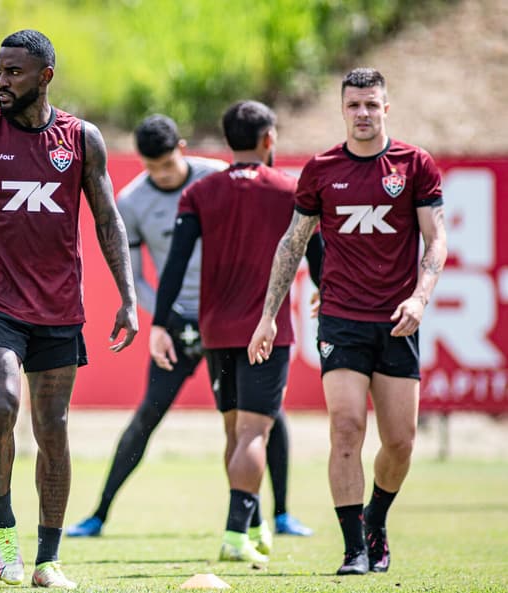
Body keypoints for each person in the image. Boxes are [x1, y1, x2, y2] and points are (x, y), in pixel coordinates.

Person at [0, 29, 138, 590]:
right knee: (3, 402)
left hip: (60, 307)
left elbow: (110, 221)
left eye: (13, 72)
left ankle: (48, 559)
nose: (1, 82)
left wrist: (128, 297)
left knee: (55, 430)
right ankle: (2, 527)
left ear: (45, 76)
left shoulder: (81, 140)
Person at [66, 115, 314, 539]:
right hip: (180, 324)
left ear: (182, 147)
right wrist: (163, 316)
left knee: (265, 416)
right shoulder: (132, 202)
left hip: (230, 319)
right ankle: (99, 514)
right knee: (148, 415)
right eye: (152, 167)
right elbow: (134, 273)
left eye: (167, 163)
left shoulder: (215, 179)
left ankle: (282, 515)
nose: (162, 174)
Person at [247, 68, 447, 575]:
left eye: (372, 105)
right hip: (340, 319)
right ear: (343, 109)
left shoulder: (414, 164)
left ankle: (375, 519)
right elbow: (292, 244)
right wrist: (268, 317)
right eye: (354, 105)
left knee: (400, 442)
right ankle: (354, 548)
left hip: (399, 321)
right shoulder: (321, 169)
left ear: (386, 108)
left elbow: (436, 240)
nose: (363, 114)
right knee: (346, 429)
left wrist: (421, 298)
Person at [148, 100, 322, 564]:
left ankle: (251, 521)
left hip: (216, 330)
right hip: (266, 330)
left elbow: (175, 264)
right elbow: (316, 253)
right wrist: (325, 293)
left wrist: (160, 322)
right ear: (269, 140)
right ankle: (233, 534)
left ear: (229, 142)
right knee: (253, 434)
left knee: (234, 431)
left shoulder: (200, 193)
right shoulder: (291, 189)